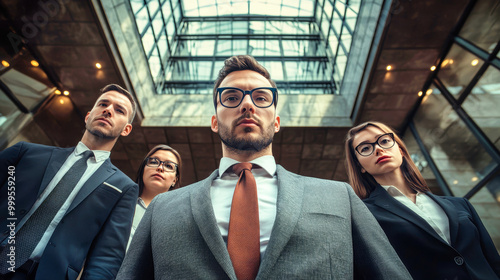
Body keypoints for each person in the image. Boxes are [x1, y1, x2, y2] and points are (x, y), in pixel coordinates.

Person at [117, 55, 411, 279]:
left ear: (277, 121)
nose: (247, 105)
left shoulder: (340, 197)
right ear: (215, 121)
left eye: (260, 97)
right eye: (232, 97)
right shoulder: (162, 207)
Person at [0, 84, 139, 279]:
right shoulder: (26, 153)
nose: (108, 110)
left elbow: (106, 258)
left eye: (119, 110)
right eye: (103, 104)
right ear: (87, 116)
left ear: (126, 129)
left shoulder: (124, 188)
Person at [344, 121, 500, 280]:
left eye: (384, 141)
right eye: (365, 148)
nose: (378, 148)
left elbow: (493, 261)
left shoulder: (461, 204)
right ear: (360, 165)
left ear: (400, 149)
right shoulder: (363, 215)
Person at [127, 144, 182, 249]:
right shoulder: (121, 202)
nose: (160, 168)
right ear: (143, 169)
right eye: (153, 162)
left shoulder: (178, 220)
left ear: (174, 180)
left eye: (169, 166)